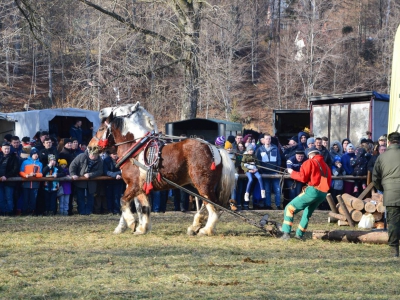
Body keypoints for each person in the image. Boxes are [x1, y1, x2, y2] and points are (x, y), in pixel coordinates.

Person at [281, 146, 332, 241]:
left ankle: (286, 233)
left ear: (310, 155)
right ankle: (299, 235)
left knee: (289, 208)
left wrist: (292, 173)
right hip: (323, 193)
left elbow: (303, 177)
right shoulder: (326, 166)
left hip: (313, 191)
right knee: (307, 213)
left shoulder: (310, 162)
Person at [372, 132, 400, 257]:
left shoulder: (382, 157)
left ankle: (394, 250)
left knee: (393, 222)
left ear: (388, 142)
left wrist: (382, 189)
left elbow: (375, 177)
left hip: (391, 194)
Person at [69, 147, 103, 215]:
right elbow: (73, 165)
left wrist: (91, 174)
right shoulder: (81, 156)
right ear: (89, 154)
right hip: (80, 181)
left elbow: (100, 171)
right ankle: (81, 212)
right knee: (80, 197)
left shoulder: (100, 160)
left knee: (90, 197)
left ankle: (89, 212)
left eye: (95, 156)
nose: (93, 157)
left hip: (91, 182)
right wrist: (73, 174)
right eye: (92, 155)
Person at [256, 133, 281, 210]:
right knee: (267, 190)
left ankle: (278, 205)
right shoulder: (260, 149)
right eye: (266, 139)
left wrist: (277, 170)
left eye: (269, 139)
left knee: (277, 190)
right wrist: (261, 171)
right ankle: (268, 205)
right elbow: (257, 161)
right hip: (265, 173)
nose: (268, 140)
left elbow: (279, 160)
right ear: (263, 140)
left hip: (274, 172)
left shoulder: (275, 148)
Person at [20, 148, 43, 215]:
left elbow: (41, 174)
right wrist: (26, 175)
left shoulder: (40, 164)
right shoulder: (25, 162)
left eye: (37, 154)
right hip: (26, 184)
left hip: (35, 184)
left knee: (33, 199)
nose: (36, 155)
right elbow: (21, 171)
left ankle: (31, 211)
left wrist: (35, 175)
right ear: (31, 154)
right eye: (34, 154)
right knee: (25, 199)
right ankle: (24, 211)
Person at [242, 144, 264, 210]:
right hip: (248, 170)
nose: (251, 151)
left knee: (259, 177)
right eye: (250, 150)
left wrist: (257, 168)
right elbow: (242, 165)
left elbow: (258, 164)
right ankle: (247, 193)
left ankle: (262, 191)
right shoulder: (245, 156)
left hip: (254, 169)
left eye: (252, 150)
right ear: (248, 150)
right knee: (250, 180)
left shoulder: (254, 156)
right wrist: (248, 170)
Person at [0, 142, 20, 216]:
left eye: (8, 148)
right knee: (1, 198)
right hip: (0, 181)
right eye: (5, 149)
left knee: (9, 197)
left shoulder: (14, 157)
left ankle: (9, 212)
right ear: (2, 149)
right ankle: (3, 212)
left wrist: (6, 176)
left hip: (9, 180)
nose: (6, 150)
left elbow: (15, 169)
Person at [103, 149, 124, 214]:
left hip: (118, 182)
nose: (115, 155)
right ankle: (110, 210)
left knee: (117, 196)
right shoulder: (106, 160)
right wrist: (115, 175)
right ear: (110, 155)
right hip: (109, 182)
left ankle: (116, 210)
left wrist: (119, 174)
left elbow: (123, 170)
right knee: (109, 196)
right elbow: (106, 171)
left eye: (116, 154)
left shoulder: (121, 160)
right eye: (114, 154)